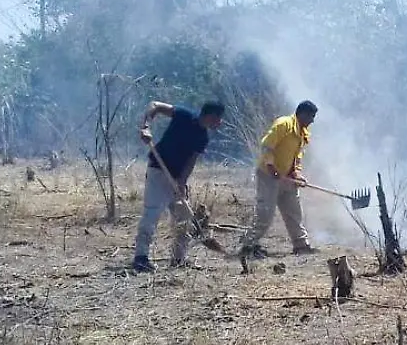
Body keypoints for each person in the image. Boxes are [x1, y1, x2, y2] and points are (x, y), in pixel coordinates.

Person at [132, 100, 225, 273]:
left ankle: (179, 258)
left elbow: (191, 161)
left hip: (176, 177)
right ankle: (141, 257)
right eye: (219, 119)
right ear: (211, 116)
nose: (220, 123)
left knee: (183, 218)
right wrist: (145, 127)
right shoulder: (183, 115)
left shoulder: (203, 137)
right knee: (152, 213)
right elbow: (155, 106)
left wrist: (182, 182)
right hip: (158, 170)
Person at [237, 100, 319, 259]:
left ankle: (301, 245)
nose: (312, 120)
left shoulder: (302, 133)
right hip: (268, 176)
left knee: (294, 212)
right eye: (311, 116)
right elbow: (266, 145)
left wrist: (296, 173)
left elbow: (297, 156)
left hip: (286, 179)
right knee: (265, 213)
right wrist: (271, 167)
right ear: (302, 113)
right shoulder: (284, 124)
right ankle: (248, 245)